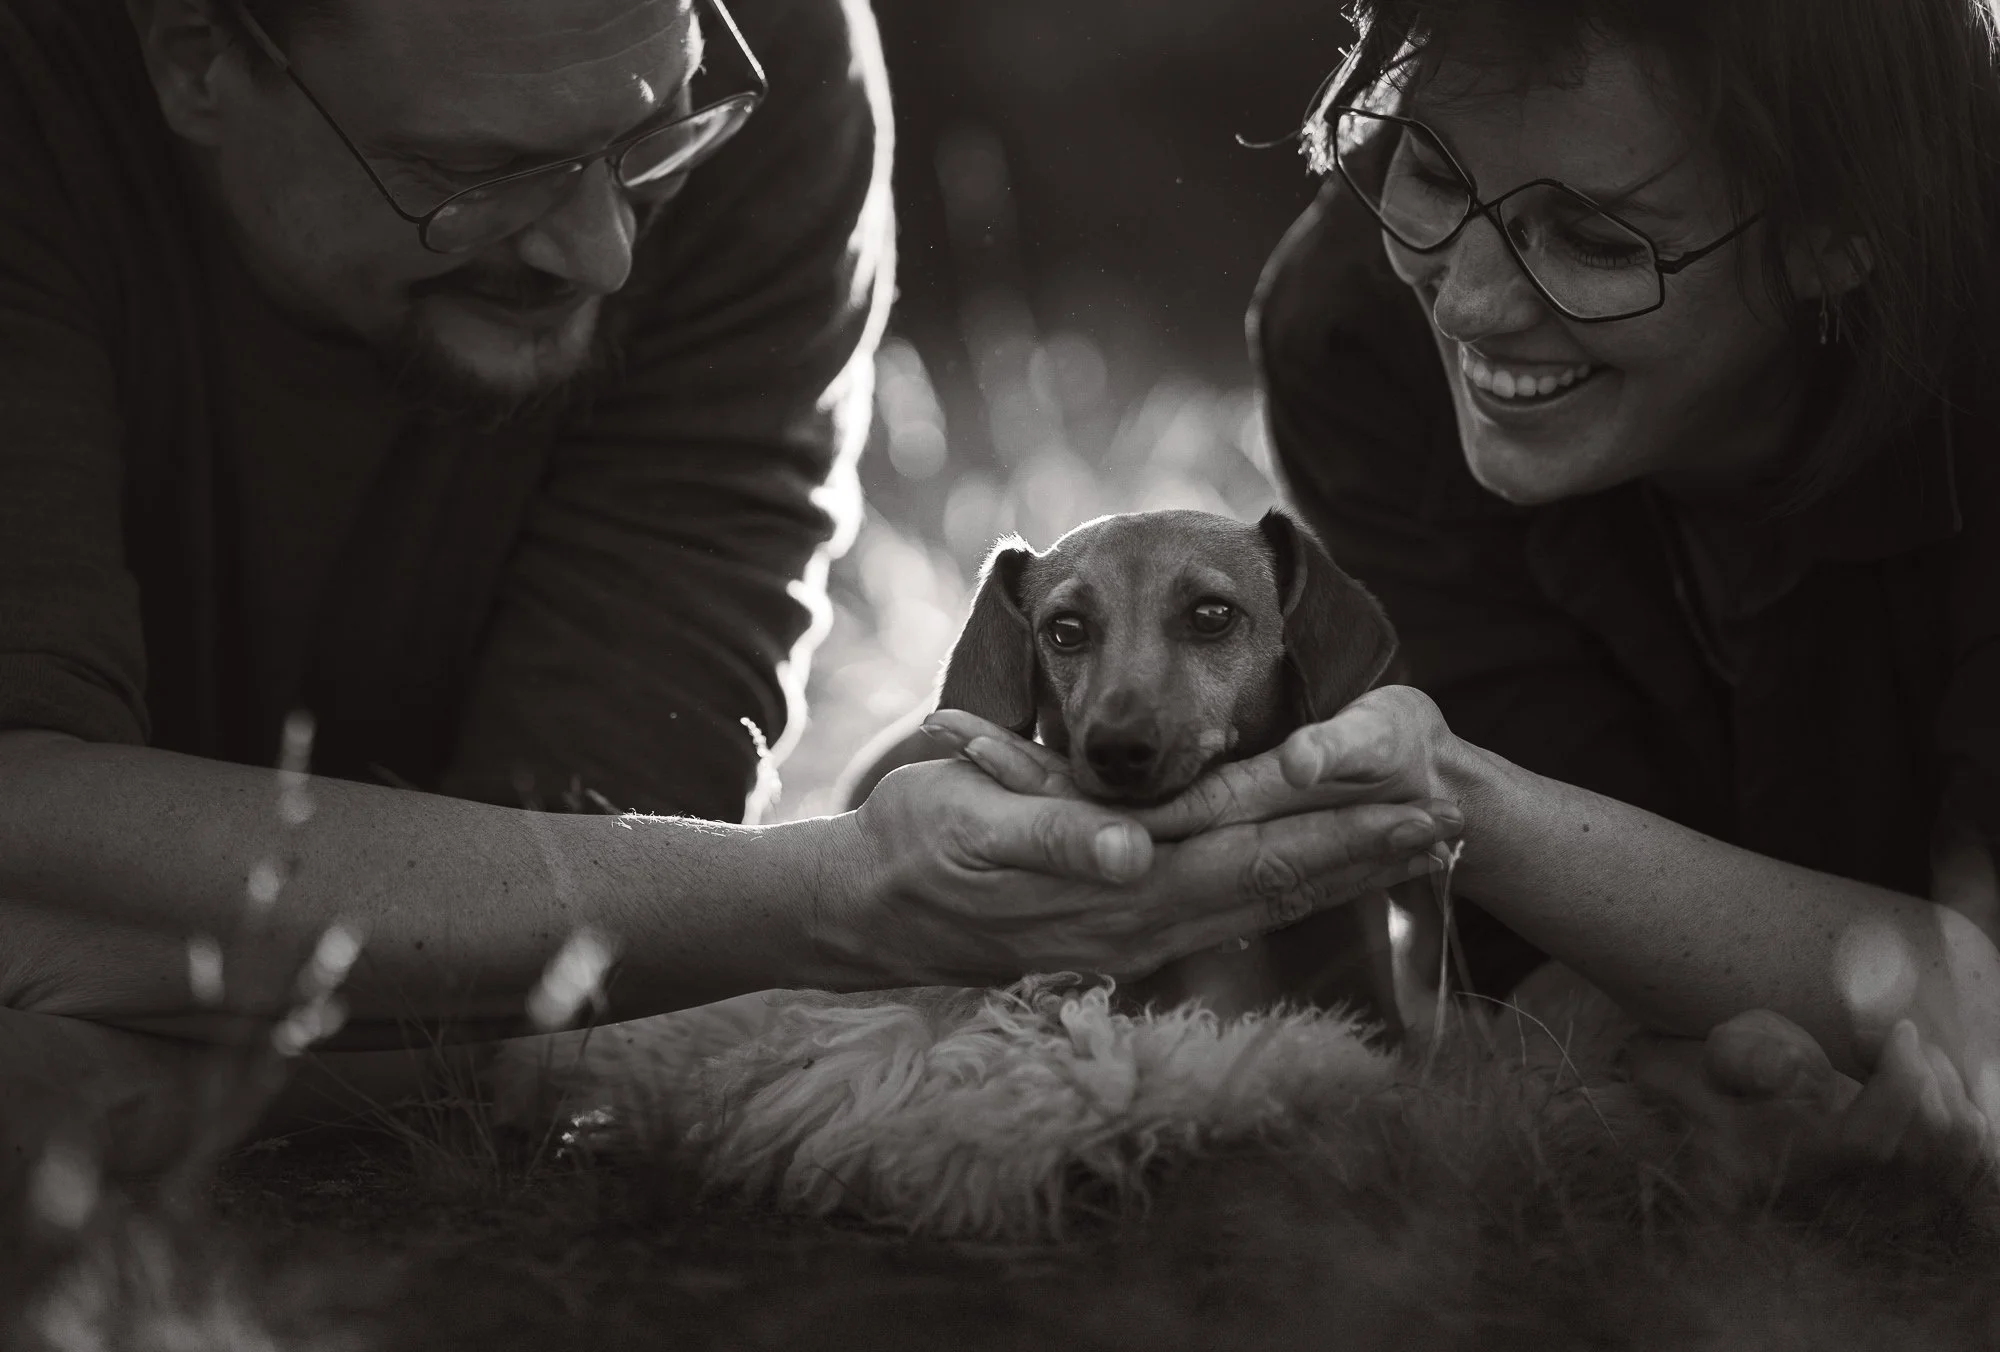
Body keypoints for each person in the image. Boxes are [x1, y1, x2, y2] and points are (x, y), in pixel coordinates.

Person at [0, 0, 1463, 1179]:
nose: (607, 248)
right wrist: (834, 899)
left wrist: (159, 1071)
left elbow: (587, 958)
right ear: (194, 52)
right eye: (471, 171)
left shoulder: (783, 66)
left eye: (651, 138)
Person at [1234, 0, 2000, 1178]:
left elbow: (1982, 1002)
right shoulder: (1356, 328)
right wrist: (1652, 1074)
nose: (1469, 303)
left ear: (1843, 231)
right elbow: (1523, 957)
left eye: (1594, 240)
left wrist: (1452, 797)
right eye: (1427, 165)